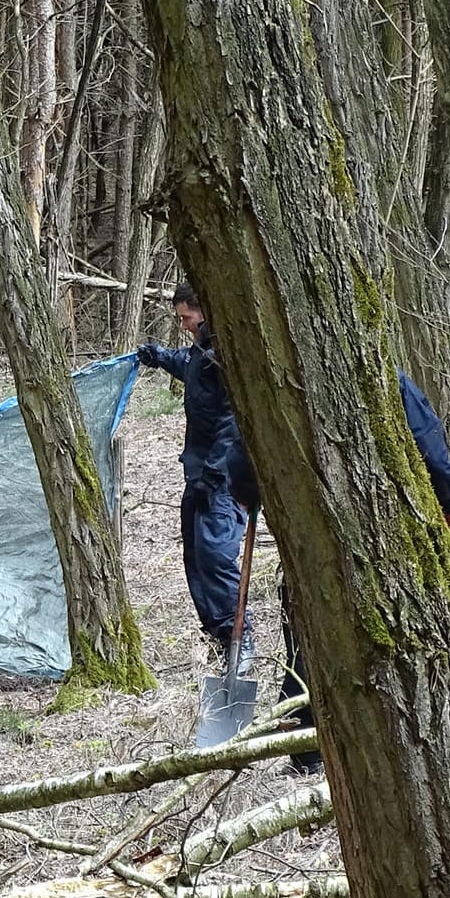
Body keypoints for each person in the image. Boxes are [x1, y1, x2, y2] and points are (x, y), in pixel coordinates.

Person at [269, 370, 450, 775]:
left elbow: (241, 457)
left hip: (309, 537)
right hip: (379, 541)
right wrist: (447, 501)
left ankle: (308, 750)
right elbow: (431, 449)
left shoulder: (277, 374)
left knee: (308, 641)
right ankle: (335, 747)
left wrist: (248, 489)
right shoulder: (387, 378)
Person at [136, 283, 253, 671]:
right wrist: (158, 357)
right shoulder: (201, 352)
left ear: (202, 312)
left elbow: (234, 421)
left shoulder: (227, 354)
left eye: (186, 317)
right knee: (196, 558)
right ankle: (221, 635)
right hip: (198, 473)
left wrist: (214, 471)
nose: (183, 324)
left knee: (216, 555)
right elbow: (190, 367)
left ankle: (241, 637)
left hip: (223, 478)